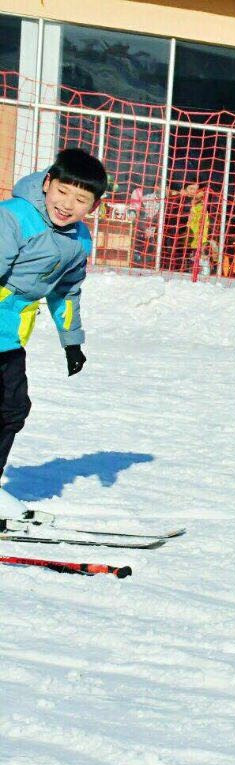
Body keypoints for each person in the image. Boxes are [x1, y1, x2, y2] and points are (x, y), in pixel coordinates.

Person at [0, 148, 106, 516]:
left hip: (8, 337)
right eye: (62, 191)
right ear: (47, 184)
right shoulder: (14, 218)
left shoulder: (78, 241)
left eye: (81, 199)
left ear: (92, 208)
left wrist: (72, 343)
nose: (67, 204)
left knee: (12, 408)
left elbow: (67, 291)